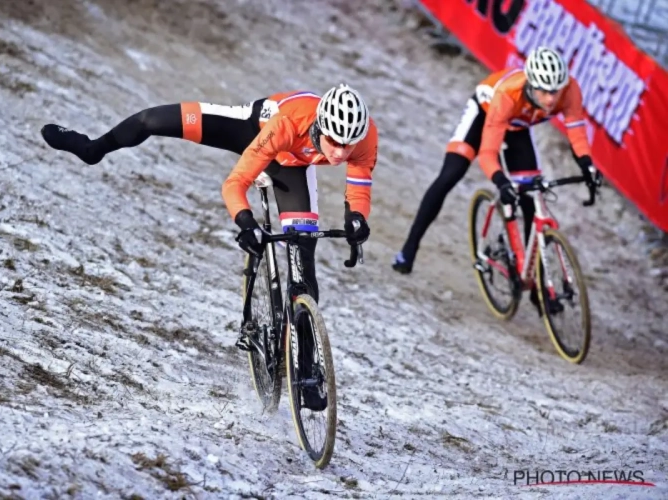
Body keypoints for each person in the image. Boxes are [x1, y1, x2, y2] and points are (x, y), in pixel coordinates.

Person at [40, 85, 378, 403]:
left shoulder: (363, 137)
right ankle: (91, 148)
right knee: (151, 120)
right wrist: (245, 222)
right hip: (254, 130)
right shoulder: (289, 124)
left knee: (303, 270)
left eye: (347, 145)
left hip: (293, 167)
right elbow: (236, 183)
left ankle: (307, 372)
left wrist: (357, 220)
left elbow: (359, 187)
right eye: (333, 141)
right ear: (320, 126)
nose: (339, 153)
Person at [392, 47, 601, 310]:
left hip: (517, 127)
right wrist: (501, 181)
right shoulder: (508, 94)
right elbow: (488, 154)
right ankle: (408, 250)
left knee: (530, 200)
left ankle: (535, 283)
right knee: (450, 174)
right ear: (531, 85)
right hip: (486, 113)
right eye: (544, 92)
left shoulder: (569, 90)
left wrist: (587, 166)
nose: (550, 100)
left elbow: (577, 132)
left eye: (555, 92)